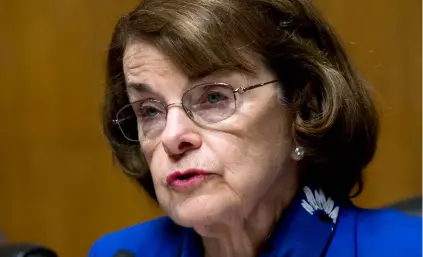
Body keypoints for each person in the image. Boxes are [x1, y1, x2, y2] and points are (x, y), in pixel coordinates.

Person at [89, 0, 422, 256]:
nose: (172, 137)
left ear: (304, 104)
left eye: (215, 97)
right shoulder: (121, 253)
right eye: (149, 110)